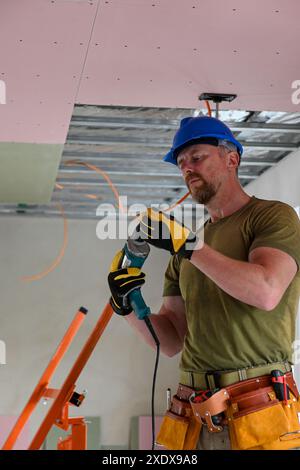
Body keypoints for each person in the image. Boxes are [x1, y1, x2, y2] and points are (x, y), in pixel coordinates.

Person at [108, 116, 300, 450]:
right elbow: (169, 341)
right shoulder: (185, 251)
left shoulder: (272, 216)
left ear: (232, 159)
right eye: (181, 164)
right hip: (192, 415)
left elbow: (267, 291)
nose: (187, 169)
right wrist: (125, 306)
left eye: (197, 157)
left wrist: (190, 248)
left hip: (258, 410)